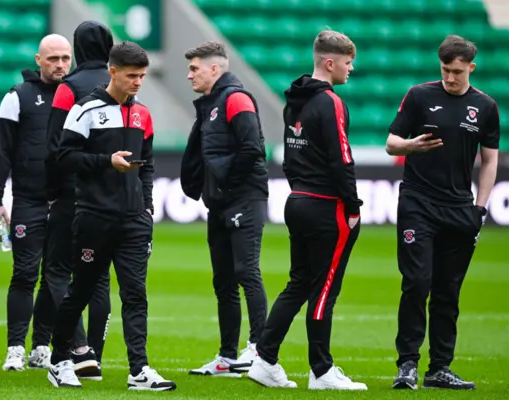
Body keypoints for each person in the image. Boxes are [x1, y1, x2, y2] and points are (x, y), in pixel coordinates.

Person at [46, 41, 176, 391]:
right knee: (82, 291)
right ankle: (59, 360)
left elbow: (146, 164)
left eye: (143, 76)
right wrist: (106, 161)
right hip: (94, 218)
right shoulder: (84, 110)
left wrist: (146, 205)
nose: (137, 82)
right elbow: (64, 157)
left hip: (133, 220)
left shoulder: (143, 114)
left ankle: (139, 370)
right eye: (132, 76)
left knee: (135, 294)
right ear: (113, 71)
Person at [247, 30, 367, 390]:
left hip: (298, 199)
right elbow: (341, 156)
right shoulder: (330, 101)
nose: (351, 69)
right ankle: (321, 370)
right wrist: (353, 204)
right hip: (327, 205)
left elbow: (289, 153)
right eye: (348, 63)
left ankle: (265, 359)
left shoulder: (293, 99)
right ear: (329, 63)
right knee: (325, 288)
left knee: (299, 283)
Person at [386, 35, 499, 391]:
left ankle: (439, 369)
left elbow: (490, 159)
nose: (450, 78)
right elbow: (391, 142)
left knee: (448, 292)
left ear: (471, 68)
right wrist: (410, 146)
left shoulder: (485, 106)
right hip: (417, 203)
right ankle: (407, 364)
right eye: (445, 70)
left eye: (457, 72)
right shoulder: (419, 95)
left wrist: (479, 208)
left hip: (460, 209)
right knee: (417, 284)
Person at [0, 34, 75, 372]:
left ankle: (41, 346)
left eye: (65, 58)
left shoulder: (79, 97)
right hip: (29, 200)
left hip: (67, 202)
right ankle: (14, 348)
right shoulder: (17, 96)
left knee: (57, 278)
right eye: (53, 59)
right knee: (24, 274)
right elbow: (1, 152)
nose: (60, 65)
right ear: (38, 59)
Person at [180, 41, 269, 377]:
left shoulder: (236, 99)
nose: (189, 75)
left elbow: (252, 149)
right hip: (219, 201)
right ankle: (228, 357)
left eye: (194, 68)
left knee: (247, 271)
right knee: (224, 281)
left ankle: (258, 349)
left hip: (243, 197)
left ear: (214, 69)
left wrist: (228, 186)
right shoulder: (212, 103)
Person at [42, 20, 114, 379]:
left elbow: (56, 145)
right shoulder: (121, 83)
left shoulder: (69, 88)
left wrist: (52, 192)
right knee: (98, 278)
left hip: (73, 195)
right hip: (110, 197)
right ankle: (95, 355)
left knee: (57, 271)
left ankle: (80, 348)